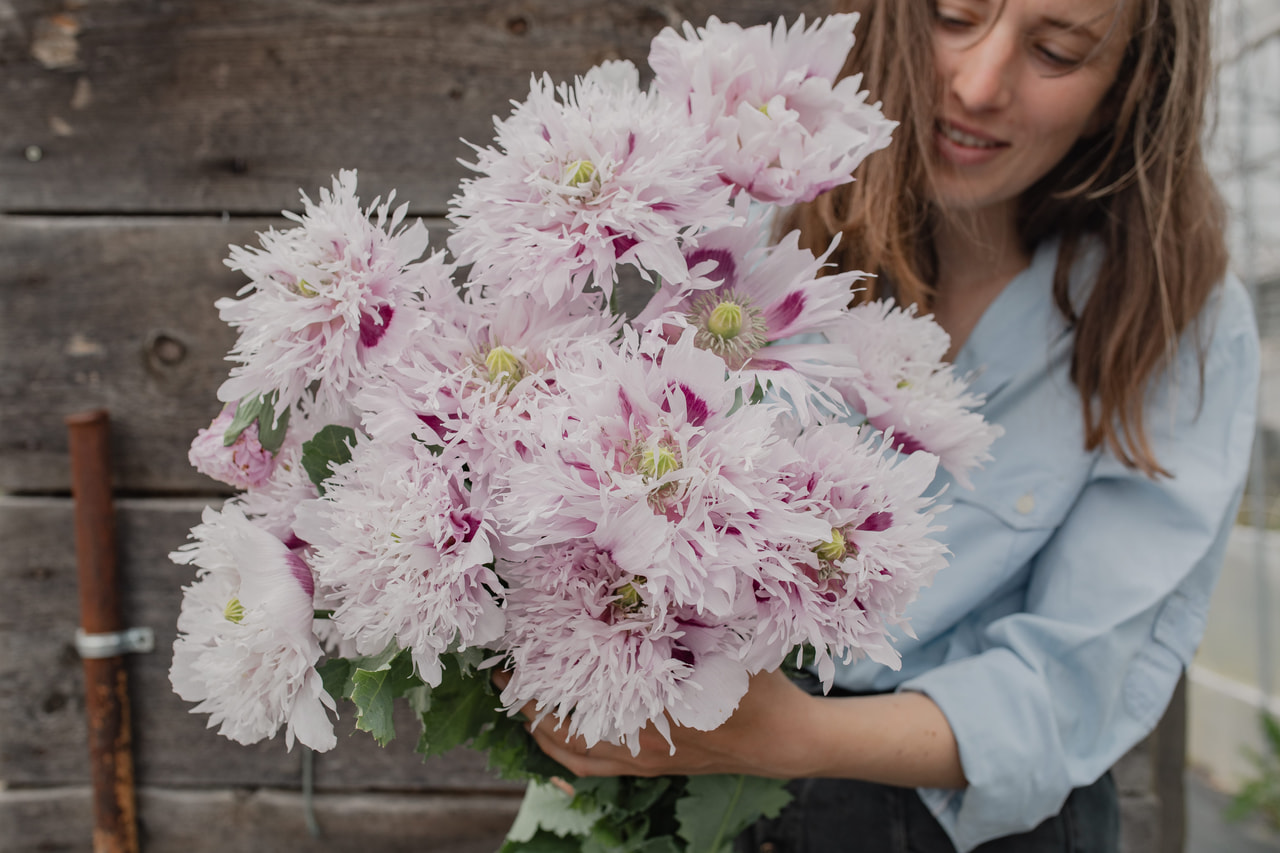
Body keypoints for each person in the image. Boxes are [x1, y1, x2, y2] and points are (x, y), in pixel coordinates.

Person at [518, 0, 1261, 849]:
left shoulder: (1177, 316)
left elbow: (1079, 683)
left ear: (1135, 84)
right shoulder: (751, 221)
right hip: (675, 769)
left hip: (965, 820)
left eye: (1057, 51)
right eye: (953, 17)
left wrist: (784, 737)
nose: (979, 86)